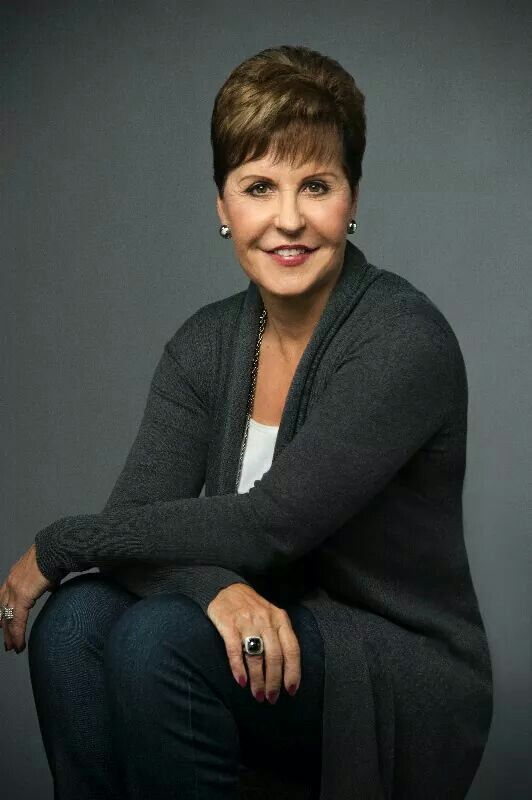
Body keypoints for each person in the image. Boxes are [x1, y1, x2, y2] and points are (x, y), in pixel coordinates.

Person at [0, 44, 493, 800]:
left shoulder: (402, 340)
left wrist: (60, 543)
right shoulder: (208, 342)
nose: (288, 219)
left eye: (317, 186)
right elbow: (141, 520)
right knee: (74, 624)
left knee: (155, 639)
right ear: (223, 207)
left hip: (391, 669)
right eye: (259, 186)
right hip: (264, 633)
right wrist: (211, 588)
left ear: (353, 199)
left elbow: (271, 526)